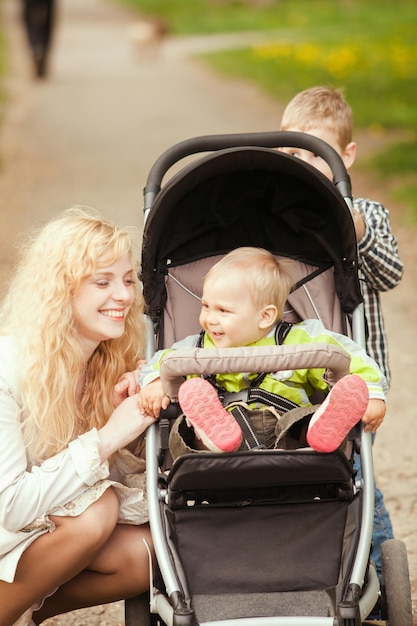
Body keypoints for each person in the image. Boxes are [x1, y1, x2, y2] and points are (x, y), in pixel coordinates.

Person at [0, 207, 156, 626]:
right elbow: (9, 507)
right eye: (102, 282)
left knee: (146, 554)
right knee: (96, 513)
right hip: (6, 528)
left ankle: (22, 614)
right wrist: (106, 436)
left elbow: (116, 484)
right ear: (60, 291)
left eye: (128, 280)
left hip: (28, 540)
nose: (124, 296)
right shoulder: (7, 367)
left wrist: (132, 429)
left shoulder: (104, 365)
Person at [279, 85, 403, 592]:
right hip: (290, 378)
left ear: (345, 156)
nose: (303, 164)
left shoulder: (366, 213)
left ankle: (368, 582)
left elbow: (389, 273)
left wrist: (351, 225)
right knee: (295, 476)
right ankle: (300, 569)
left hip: (354, 385)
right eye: (290, 153)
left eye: (315, 152)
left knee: (356, 478)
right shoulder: (273, 218)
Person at [137, 247, 387, 460]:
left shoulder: (298, 339)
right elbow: (162, 359)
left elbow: (348, 356)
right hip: (221, 444)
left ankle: (323, 426)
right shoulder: (197, 348)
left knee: (305, 418)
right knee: (187, 429)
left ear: (265, 316)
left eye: (223, 311)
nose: (209, 319)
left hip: (290, 438)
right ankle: (209, 433)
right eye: (205, 306)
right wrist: (156, 381)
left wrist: (370, 393)